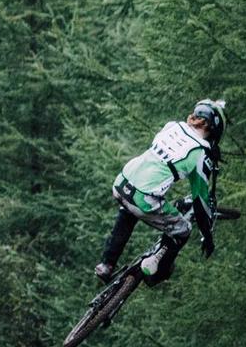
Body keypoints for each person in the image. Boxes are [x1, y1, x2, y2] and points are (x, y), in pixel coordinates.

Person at [94, 99, 227, 284]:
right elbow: (200, 200)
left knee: (128, 210)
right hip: (144, 199)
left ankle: (106, 264)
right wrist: (208, 236)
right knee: (183, 230)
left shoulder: (172, 126)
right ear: (215, 129)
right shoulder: (200, 153)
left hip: (121, 182)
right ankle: (154, 273)